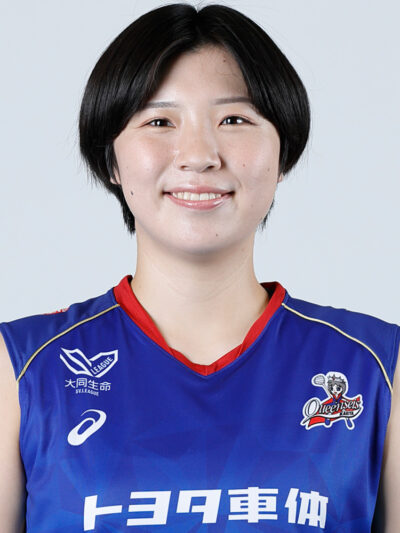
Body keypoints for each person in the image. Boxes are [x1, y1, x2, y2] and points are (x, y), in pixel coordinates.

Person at [0, 3, 398, 531]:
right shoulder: (22, 369)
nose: (199, 154)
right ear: (111, 159)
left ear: (283, 153)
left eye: (234, 120)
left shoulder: (377, 367)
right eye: (159, 121)